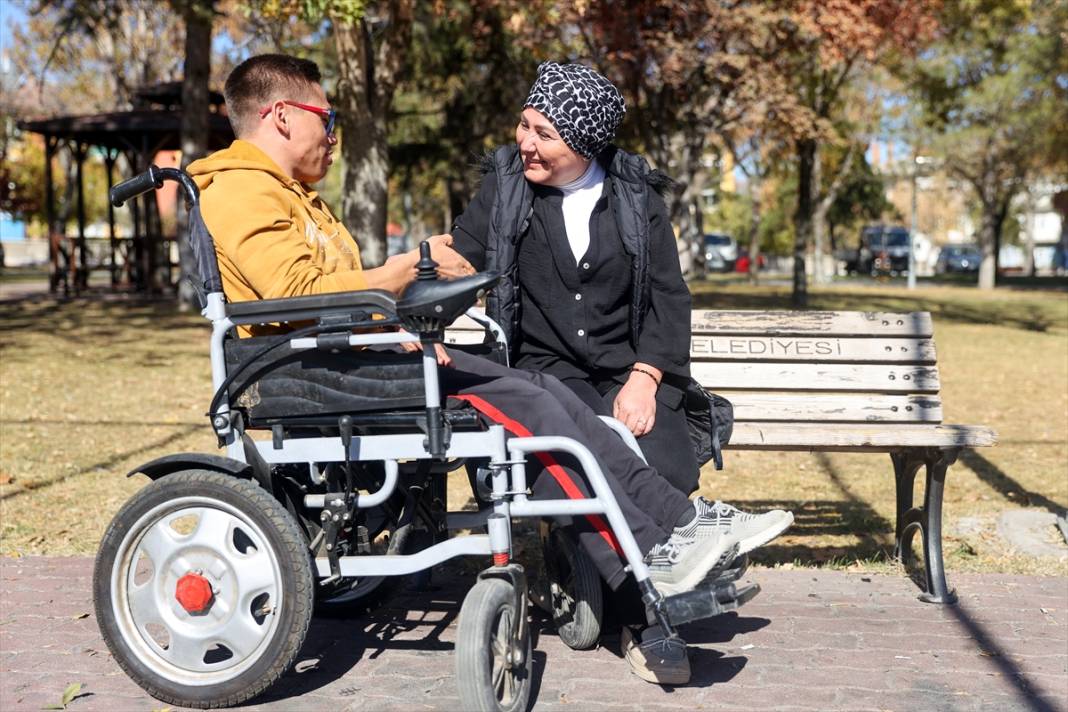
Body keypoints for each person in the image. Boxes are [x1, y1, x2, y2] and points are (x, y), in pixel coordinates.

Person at [188, 53, 789, 684]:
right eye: (326, 115)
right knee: (544, 401)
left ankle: (677, 531)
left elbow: (322, 290)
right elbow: (310, 292)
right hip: (318, 368)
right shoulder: (243, 186)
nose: (333, 131)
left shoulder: (288, 192)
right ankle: (665, 549)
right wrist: (406, 287)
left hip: (366, 353)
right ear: (282, 115)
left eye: (543, 132)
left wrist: (399, 317)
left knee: (545, 401)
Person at [449, 61, 794, 683]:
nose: (525, 141)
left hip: (627, 369)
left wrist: (647, 377)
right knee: (568, 460)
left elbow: (669, 296)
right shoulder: (505, 190)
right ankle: (649, 617)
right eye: (524, 125)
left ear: (583, 143)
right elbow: (459, 260)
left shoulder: (636, 201)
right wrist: (412, 282)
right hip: (546, 371)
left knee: (658, 451)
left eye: (544, 133)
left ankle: (630, 573)